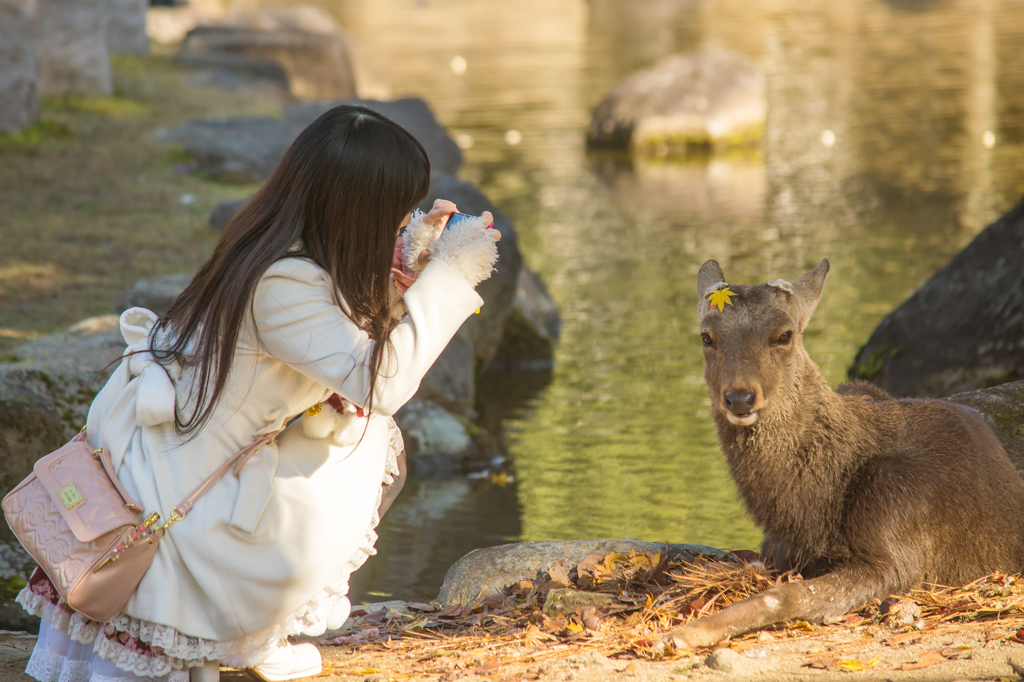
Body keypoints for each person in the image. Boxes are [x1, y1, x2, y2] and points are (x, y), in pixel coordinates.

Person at [17, 105, 501, 682]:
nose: (405, 220)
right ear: (358, 211)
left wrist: (399, 268)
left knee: (352, 431)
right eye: (396, 214)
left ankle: (254, 634)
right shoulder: (284, 284)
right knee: (368, 444)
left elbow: (335, 341)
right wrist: (448, 276)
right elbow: (381, 382)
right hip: (178, 497)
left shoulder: (272, 237)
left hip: (171, 458)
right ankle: (249, 627)